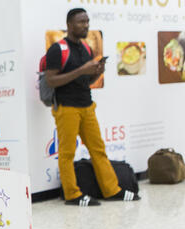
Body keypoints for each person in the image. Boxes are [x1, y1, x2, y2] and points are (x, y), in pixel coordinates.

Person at [44, 8, 140, 206]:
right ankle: (72, 194)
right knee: (67, 153)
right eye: (81, 22)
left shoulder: (86, 48)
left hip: (87, 106)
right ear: (70, 25)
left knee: (98, 149)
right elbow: (51, 80)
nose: (86, 25)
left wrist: (97, 72)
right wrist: (82, 70)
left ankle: (112, 190)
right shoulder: (57, 49)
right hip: (66, 107)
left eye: (87, 21)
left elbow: (86, 80)